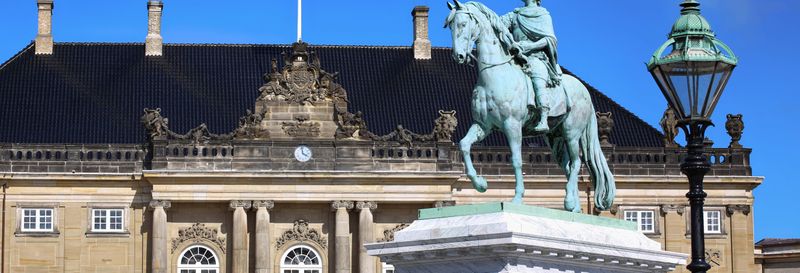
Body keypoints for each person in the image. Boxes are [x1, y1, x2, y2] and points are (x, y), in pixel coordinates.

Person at [501, 0, 563, 133]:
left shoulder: (543, 15)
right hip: (515, 56)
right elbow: (498, 24)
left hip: (535, 56)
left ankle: (543, 117)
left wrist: (530, 46)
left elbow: (550, 39)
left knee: (537, 78)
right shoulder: (515, 15)